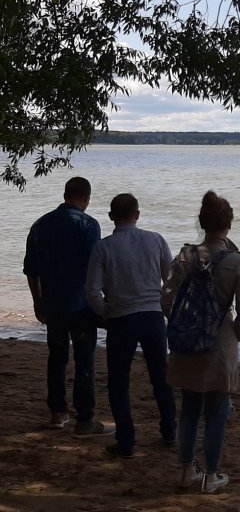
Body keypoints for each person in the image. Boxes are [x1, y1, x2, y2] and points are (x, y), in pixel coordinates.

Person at [162, 191, 240, 493]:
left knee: (189, 408)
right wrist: (238, 331)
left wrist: (181, 324)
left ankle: (186, 471)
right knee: (217, 411)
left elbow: (166, 299)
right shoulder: (236, 262)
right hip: (220, 343)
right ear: (228, 225)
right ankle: (212, 475)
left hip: (187, 342)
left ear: (202, 223)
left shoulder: (186, 256)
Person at [85, 193, 176, 458]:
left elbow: (91, 291)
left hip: (121, 318)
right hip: (151, 316)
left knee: (118, 381)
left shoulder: (103, 247)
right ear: (137, 215)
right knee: (161, 377)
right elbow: (170, 281)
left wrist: (105, 312)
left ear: (111, 216)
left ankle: (126, 441)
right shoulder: (155, 240)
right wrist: (165, 307)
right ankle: (169, 431)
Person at [23, 176, 112, 437]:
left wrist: (37, 302)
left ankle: (57, 412)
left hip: (53, 304)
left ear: (65, 195)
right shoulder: (88, 225)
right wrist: (107, 301)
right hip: (81, 305)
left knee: (57, 357)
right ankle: (84, 419)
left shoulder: (40, 225)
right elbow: (94, 268)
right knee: (84, 360)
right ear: (86, 197)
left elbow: (31, 270)